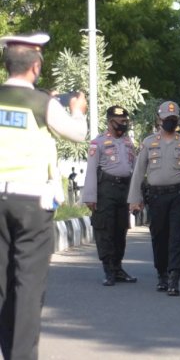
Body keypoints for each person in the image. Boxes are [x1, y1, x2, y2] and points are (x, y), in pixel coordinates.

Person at [0, 32, 87, 360]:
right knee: (28, 285)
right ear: (35, 66)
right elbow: (78, 134)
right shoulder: (42, 104)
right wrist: (76, 110)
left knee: (3, 286)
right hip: (30, 204)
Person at [128, 101, 180, 297]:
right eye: (167, 119)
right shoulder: (148, 142)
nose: (170, 122)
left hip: (178, 195)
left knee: (177, 236)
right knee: (159, 236)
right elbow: (138, 172)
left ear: (177, 121)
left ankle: (174, 277)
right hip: (157, 197)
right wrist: (134, 198)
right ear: (159, 120)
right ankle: (162, 274)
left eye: (174, 119)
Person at [82, 105, 137, 286]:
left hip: (124, 190)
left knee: (120, 230)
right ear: (110, 122)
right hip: (106, 189)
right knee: (105, 229)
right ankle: (108, 270)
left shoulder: (129, 142)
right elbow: (91, 171)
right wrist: (90, 196)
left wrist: (137, 196)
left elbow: (135, 170)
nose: (123, 124)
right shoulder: (98, 143)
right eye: (120, 121)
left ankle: (118, 268)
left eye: (125, 121)